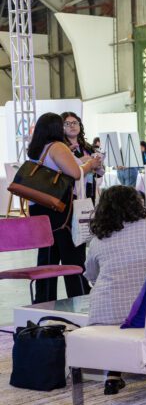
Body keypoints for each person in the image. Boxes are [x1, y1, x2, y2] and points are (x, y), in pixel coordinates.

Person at [84, 186, 146, 394]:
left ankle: (113, 375)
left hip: (106, 312)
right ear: (136, 203)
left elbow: (92, 276)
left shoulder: (98, 240)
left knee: (115, 309)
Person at [25, 113, 100, 302]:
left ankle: (43, 304)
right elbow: (75, 173)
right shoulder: (57, 147)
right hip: (61, 210)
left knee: (47, 260)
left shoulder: (36, 149)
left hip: (41, 208)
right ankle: (80, 301)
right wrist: (90, 163)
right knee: (73, 257)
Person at [62, 111, 104, 200]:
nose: (72, 126)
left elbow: (100, 173)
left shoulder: (87, 146)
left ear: (79, 125)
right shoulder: (61, 147)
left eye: (74, 123)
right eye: (67, 123)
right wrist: (82, 161)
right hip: (71, 193)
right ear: (62, 127)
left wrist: (98, 165)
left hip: (90, 189)